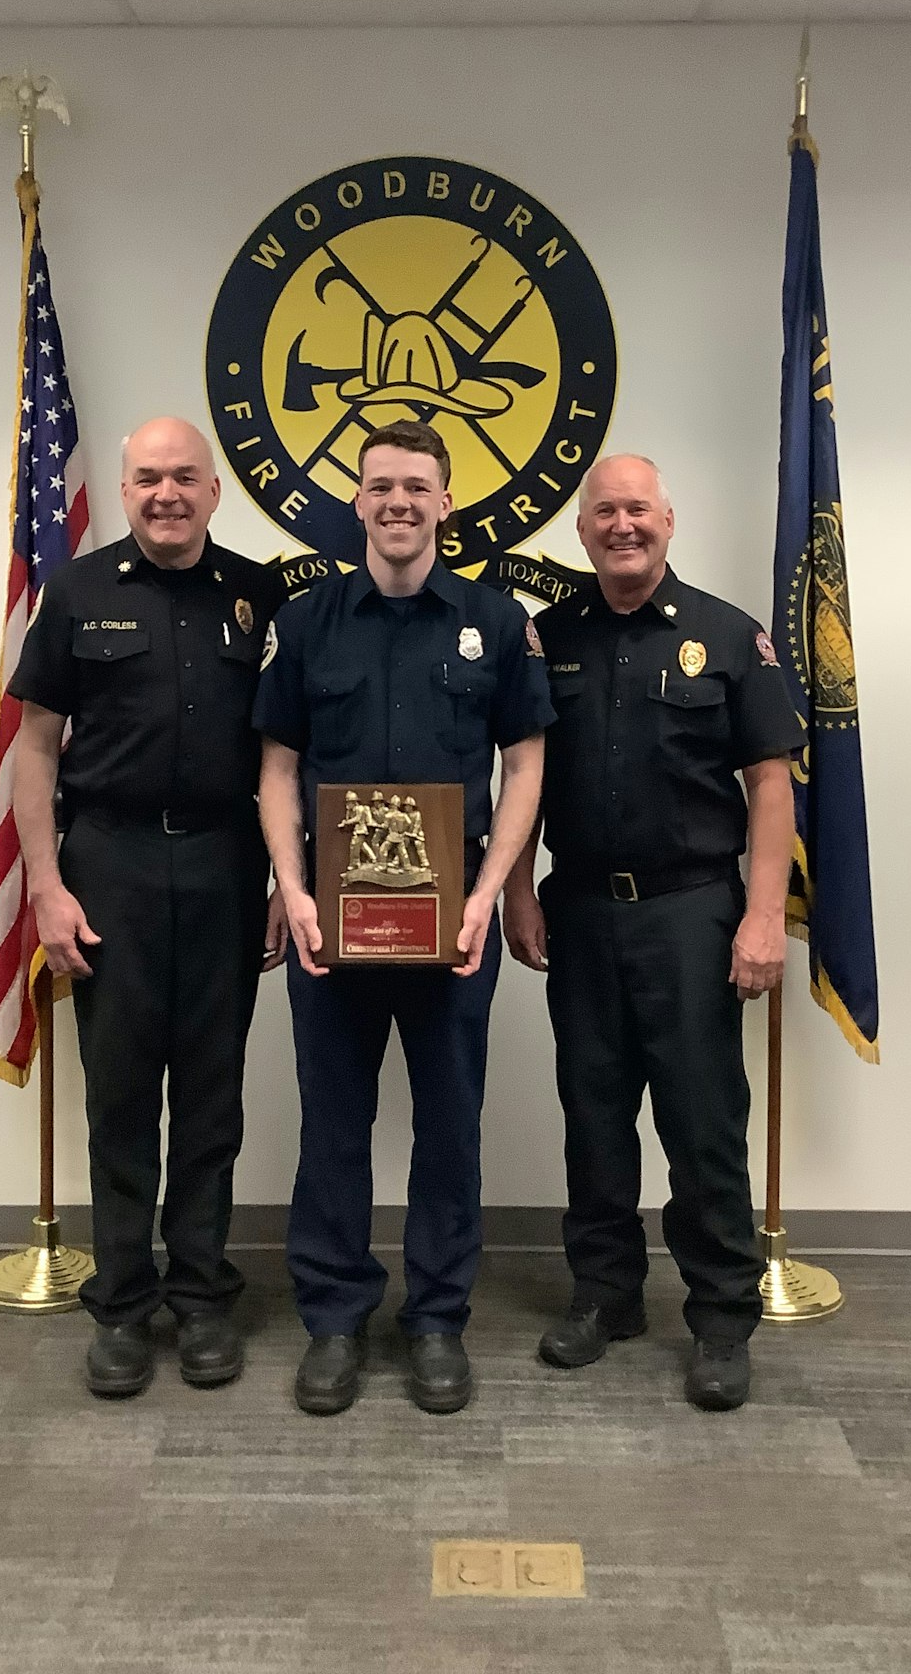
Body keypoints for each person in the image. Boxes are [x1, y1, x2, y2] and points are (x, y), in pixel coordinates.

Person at [255, 420, 553, 1417]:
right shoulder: (306, 623)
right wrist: (293, 890)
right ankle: (336, 1319)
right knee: (333, 1124)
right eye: (380, 484)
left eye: (416, 486)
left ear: (445, 501)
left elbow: (527, 763)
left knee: (449, 1130)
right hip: (327, 926)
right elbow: (278, 770)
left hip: (454, 923)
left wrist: (488, 891)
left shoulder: (496, 620)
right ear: (358, 500)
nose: (398, 501)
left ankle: (435, 1320)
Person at [502, 454, 800, 1412]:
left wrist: (761, 917)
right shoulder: (547, 639)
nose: (621, 524)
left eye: (637, 508)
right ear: (581, 529)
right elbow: (523, 777)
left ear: (668, 519)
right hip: (581, 908)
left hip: (692, 913)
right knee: (592, 1115)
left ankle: (719, 1316)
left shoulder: (725, 636)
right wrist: (515, 889)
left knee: (703, 1121)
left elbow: (769, 786)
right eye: (603, 512)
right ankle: (605, 1295)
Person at [9, 417, 287, 1399]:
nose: (165, 493)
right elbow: (36, 746)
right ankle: (124, 1304)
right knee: (121, 1094)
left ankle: (202, 1293)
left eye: (183, 477)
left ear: (216, 490)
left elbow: (283, 756)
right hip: (109, 864)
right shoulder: (78, 591)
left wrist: (280, 884)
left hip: (224, 858)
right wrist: (45, 883)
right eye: (146, 478)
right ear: (125, 491)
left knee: (212, 1094)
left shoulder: (258, 594)